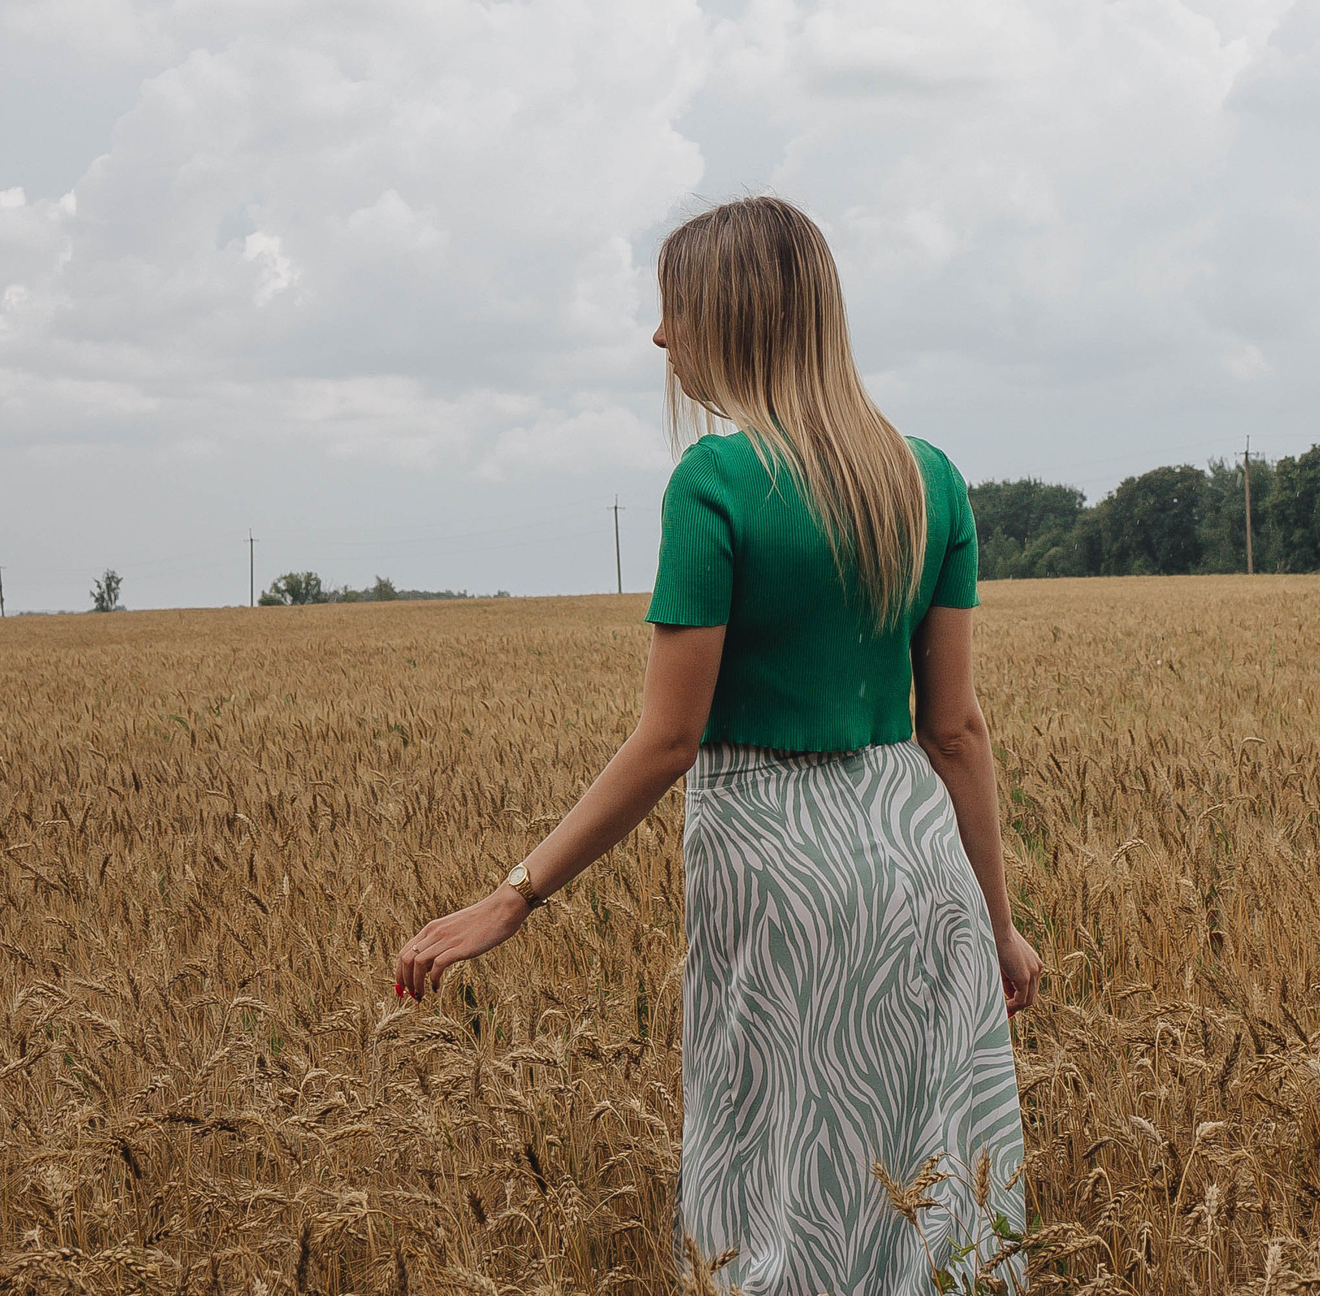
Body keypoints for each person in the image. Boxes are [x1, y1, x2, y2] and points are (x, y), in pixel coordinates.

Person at [395, 195, 1038, 1294]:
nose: (658, 338)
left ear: (733, 316)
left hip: (777, 864)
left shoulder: (714, 484)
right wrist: (1001, 925)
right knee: (935, 1190)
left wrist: (514, 894)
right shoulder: (928, 477)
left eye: (672, 310)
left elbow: (666, 741)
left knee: (779, 1174)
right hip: (918, 867)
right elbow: (955, 730)